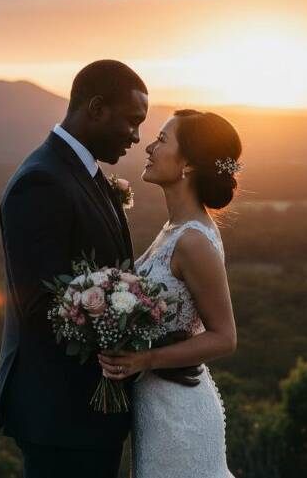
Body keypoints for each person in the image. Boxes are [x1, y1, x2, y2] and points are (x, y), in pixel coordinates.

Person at [0, 59, 148, 478]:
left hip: (90, 417)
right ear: (97, 108)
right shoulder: (42, 181)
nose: (137, 137)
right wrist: (125, 325)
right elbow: (41, 304)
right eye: (132, 122)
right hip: (61, 415)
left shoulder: (87, 174)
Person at [98, 109, 243, 478]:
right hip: (156, 408)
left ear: (189, 164)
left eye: (162, 140)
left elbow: (224, 338)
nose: (149, 146)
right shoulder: (174, 228)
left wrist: (144, 360)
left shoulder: (193, 241)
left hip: (180, 418)